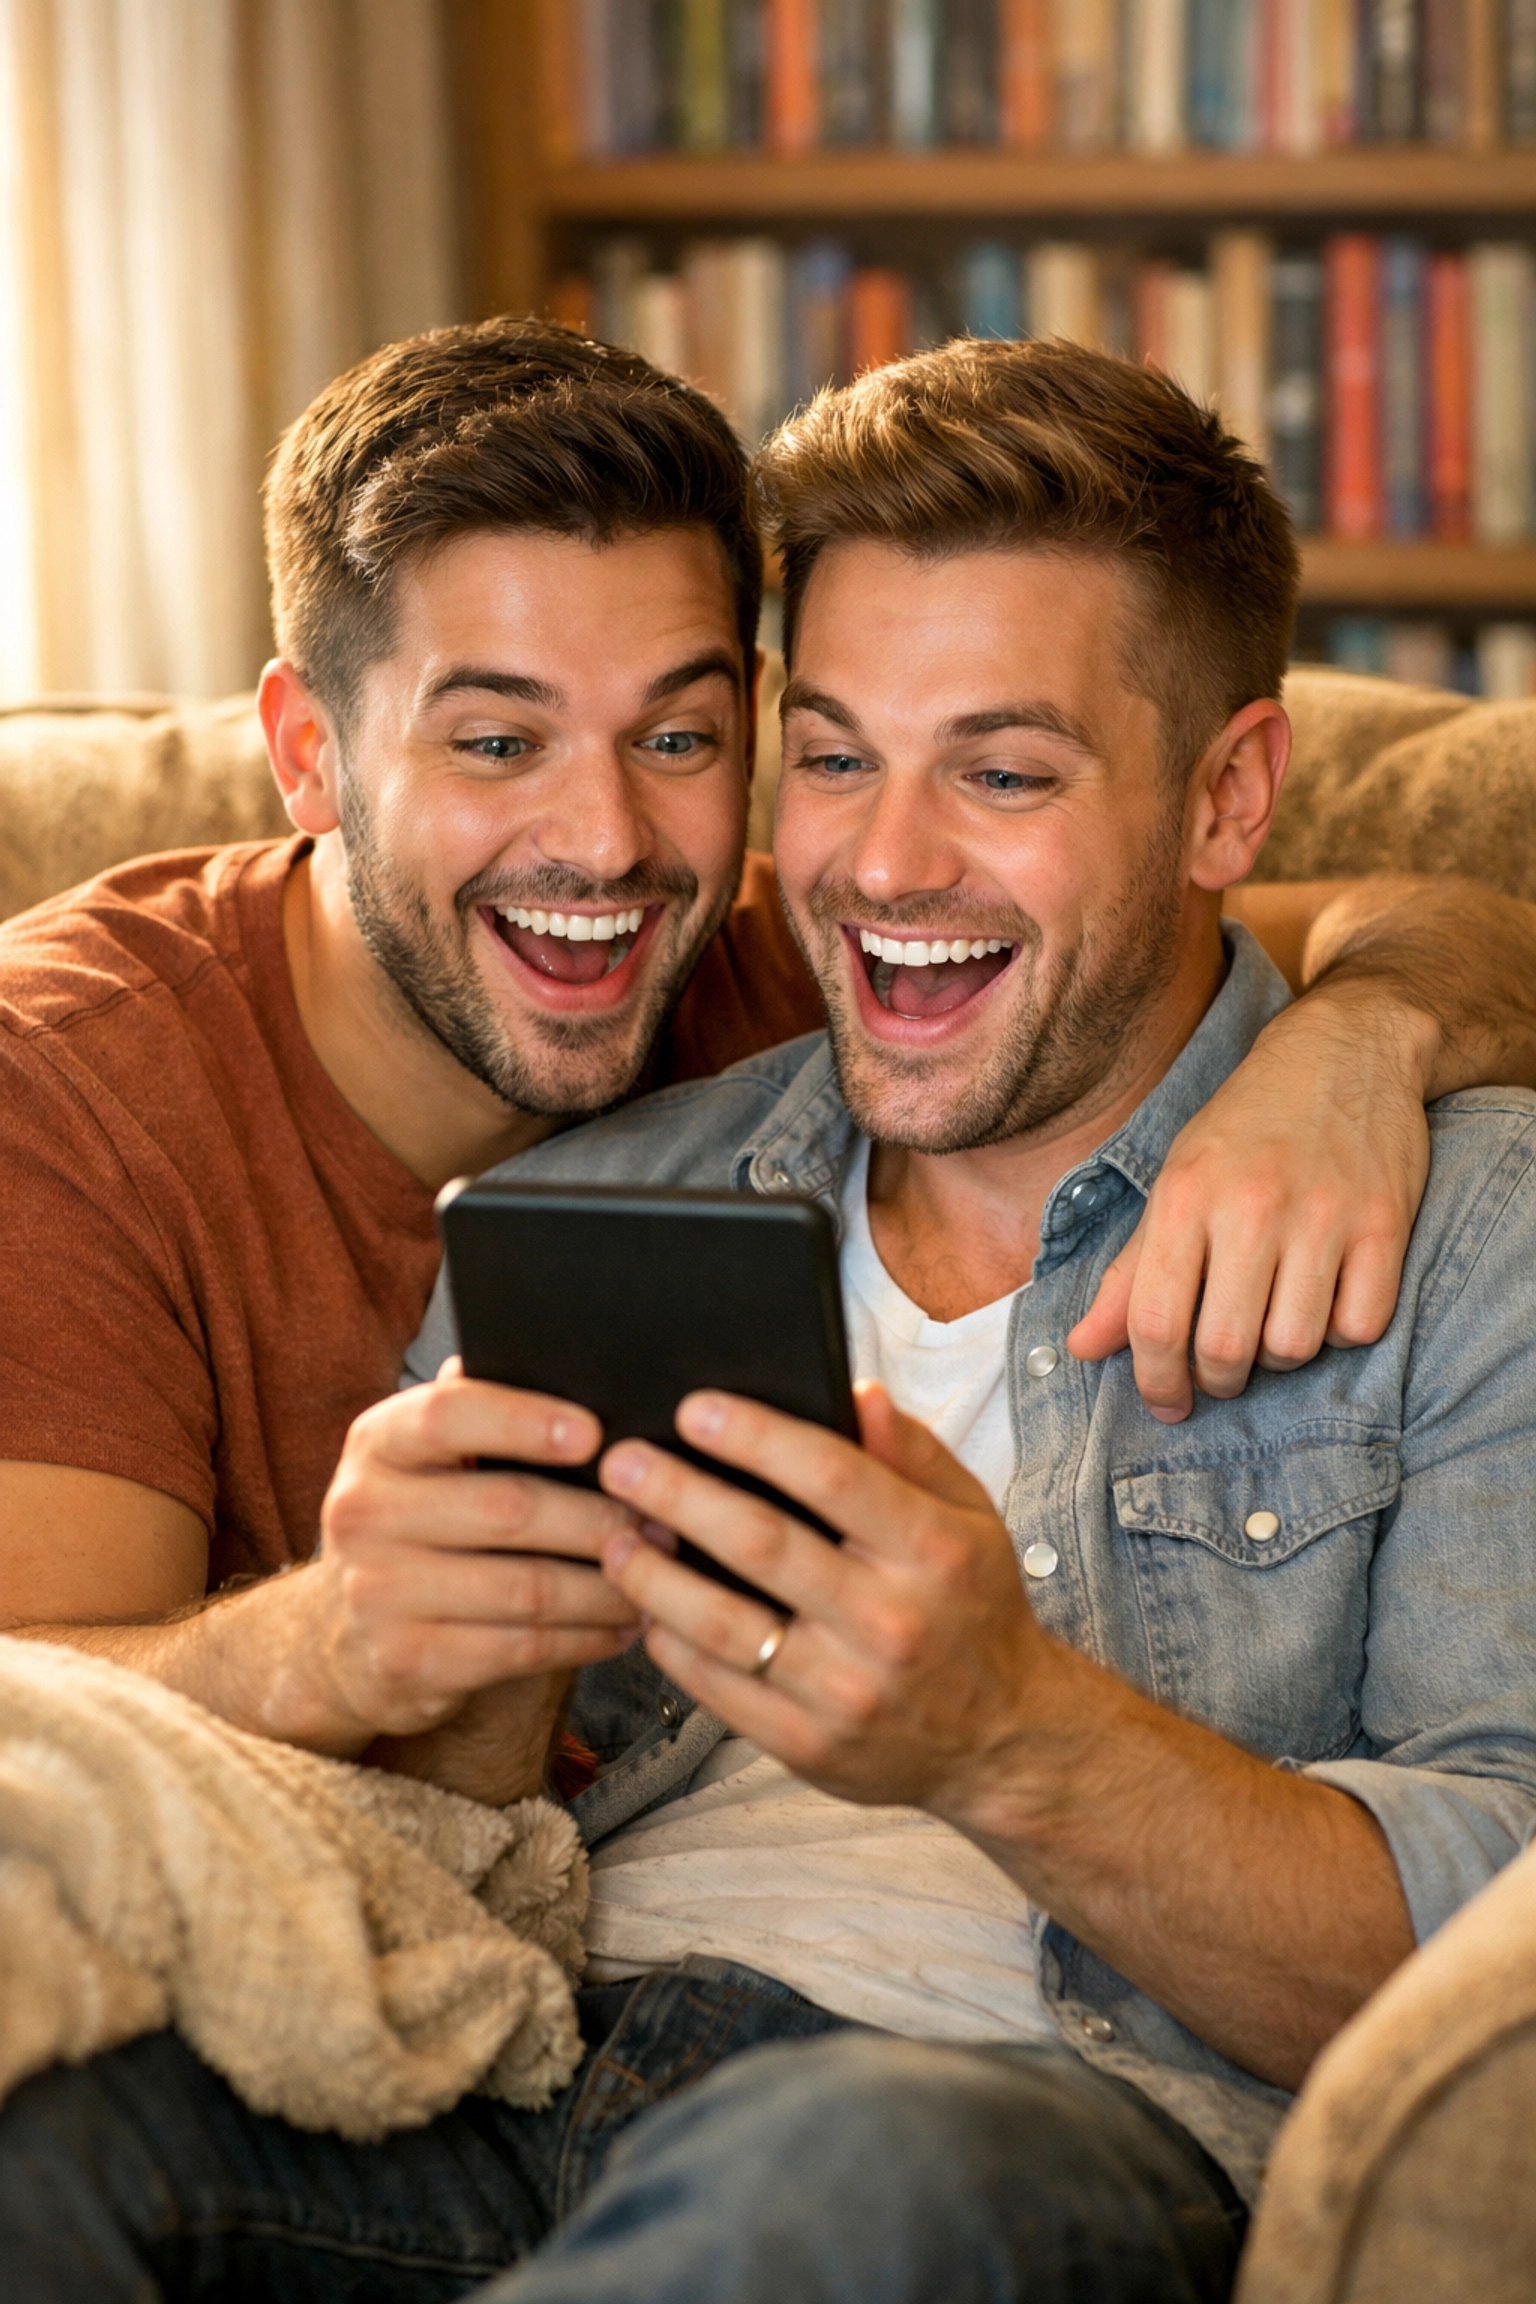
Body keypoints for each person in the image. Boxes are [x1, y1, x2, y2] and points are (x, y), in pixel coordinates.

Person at [6, 336, 1536, 2303]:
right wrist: (441, 1681)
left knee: (852, 2173)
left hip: (1000, 2117)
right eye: (829, 754)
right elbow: (394, 1838)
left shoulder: (1467, 1216)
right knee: (49, 2138)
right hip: (522, 2074)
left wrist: (1007, 1736)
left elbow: (1500, 1953)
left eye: (1000, 770)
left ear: (1228, 795)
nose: (884, 865)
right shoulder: (602, 1176)